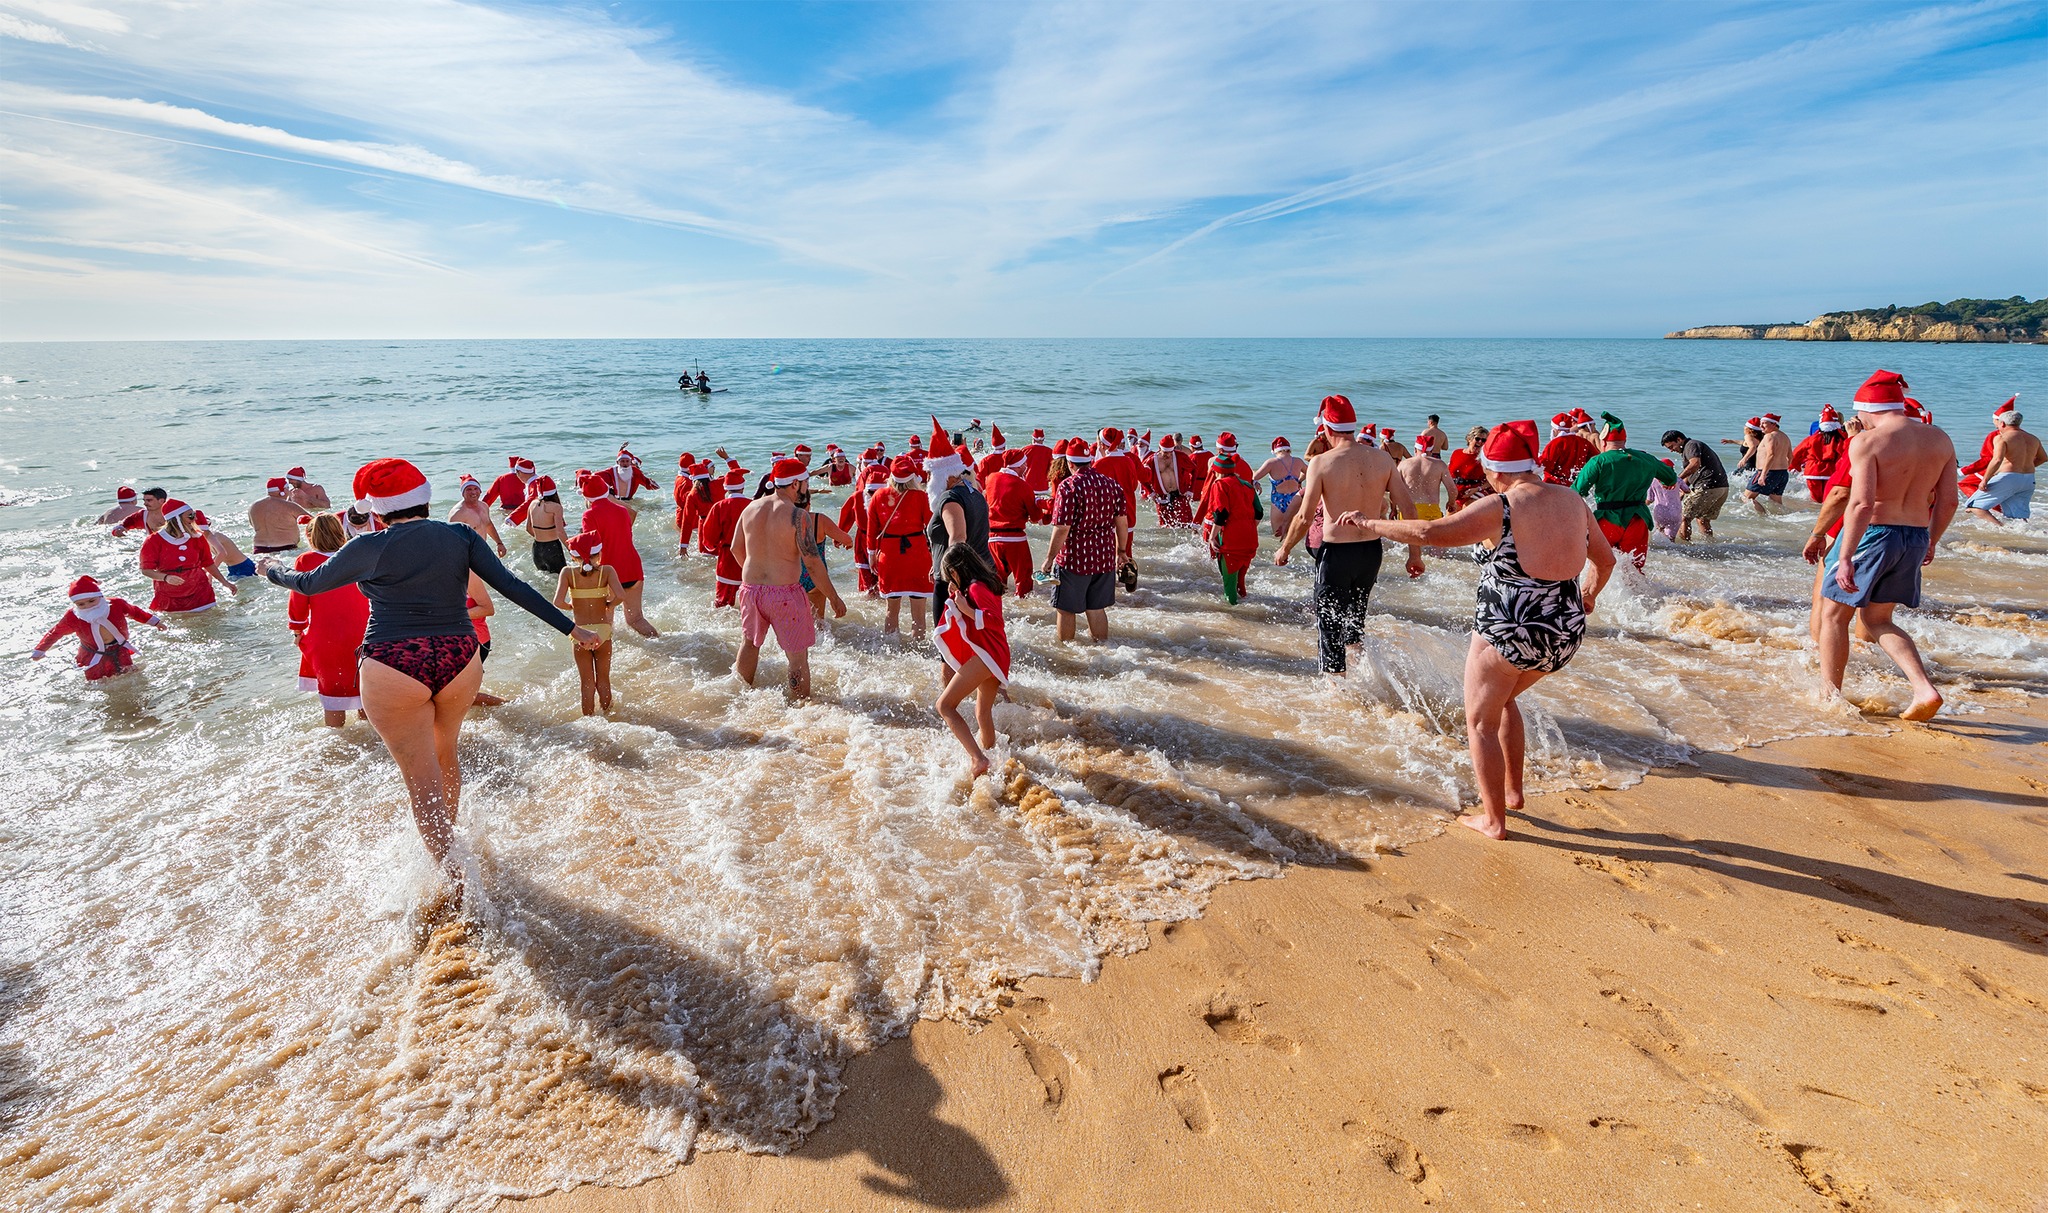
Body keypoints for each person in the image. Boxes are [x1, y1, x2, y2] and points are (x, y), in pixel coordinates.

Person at [260, 459, 601, 901]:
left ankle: (457, 881)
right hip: (461, 657)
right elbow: (513, 586)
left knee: (421, 782)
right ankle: (453, 844)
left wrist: (269, 571)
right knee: (446, 754)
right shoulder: (458, 535)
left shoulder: (370, 545)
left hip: (392, 661)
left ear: (379, 510)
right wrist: (572, 628)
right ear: (425, 498)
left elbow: (308, 584)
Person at [1340, 420, 1615, 840]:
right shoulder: (1572, 500)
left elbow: (1431, 533)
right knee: (1503, 703)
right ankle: (1513, 792)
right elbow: (1606, 561)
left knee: (1480, 723)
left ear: (1495, 470)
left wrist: (1369, 524)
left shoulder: (1502, 505)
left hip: (1509, 633)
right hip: (1565, 633)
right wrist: (1588, 597)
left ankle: (1493, 820)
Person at [1815, 371, 1957, 722]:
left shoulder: (1867, 441)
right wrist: (1931, 541)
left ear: (1867, 409)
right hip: (1914, 534)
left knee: (1834, 616)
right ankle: (1924, 688)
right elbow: (1949, 501)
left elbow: (1861, 504)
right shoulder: (1940, 439)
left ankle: (1829, 695)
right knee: (1879, 618)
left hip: (1873, 535)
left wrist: (1845, 555)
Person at [1275, 395, 1422, 676]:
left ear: (1327, 430)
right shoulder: (1382, 459)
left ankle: (1338, 694)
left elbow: (1305, 517)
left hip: (1337, 554)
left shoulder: (1321, 463)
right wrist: (1414, 555)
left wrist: (1284, 549)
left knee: (1329, 625)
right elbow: (1408, 508)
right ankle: (1362, 675)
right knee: (1355, 621)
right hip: (1371, 553)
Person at [731, 458, 830, 698]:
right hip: (785, 594)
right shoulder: (798, 516)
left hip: (751, 591)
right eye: (805, 482)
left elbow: (735, 548)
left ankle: (739, 696)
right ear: (795, 484)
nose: (807, 487)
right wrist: (834, 598)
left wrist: (755, 576)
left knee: (750, 644)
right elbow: (813, 564)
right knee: (797, 655)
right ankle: (800, 707)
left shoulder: (750, 508)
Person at [933, 543, 1012, 777]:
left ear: (956, 572)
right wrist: (959, 601)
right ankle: (993, 758)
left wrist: (967, 610)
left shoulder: (977, 587)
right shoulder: (979, 585)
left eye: (949, 575)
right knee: (982, 713)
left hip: (988, 654)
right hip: (995, 654)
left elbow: (995, 621)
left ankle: (978, 759)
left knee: (944, 706)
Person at [286, 512, 370, 726]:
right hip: (364, 632)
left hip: (327, 637)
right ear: (340, 532)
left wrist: (297, 630)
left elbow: (299, 599)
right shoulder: (357, 556)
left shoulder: (306, 561)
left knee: (333, 699)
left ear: (311, 537)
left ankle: (336, 752)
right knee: (364, 696)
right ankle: (373, 746)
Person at [1041, 438, 1128, 642]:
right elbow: (1122, 523)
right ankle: (1102, 650)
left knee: (1065, 609)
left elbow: (1062, 528)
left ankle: (1067, 655)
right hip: (1104, 557)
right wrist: (1121, 551)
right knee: (1096, 608)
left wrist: (1049, 557)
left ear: (1070, 464)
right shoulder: (1111, 484)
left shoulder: (1068, 487)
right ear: (1089, 461)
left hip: (1075, 559)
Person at [1571, 413, 1676, 574]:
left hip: (1608, 520)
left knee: (1598, 567)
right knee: (1634, 570)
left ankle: (1597, 598)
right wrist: (1666, 482)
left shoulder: (1598, 461)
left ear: (1604, 441)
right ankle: (1638, 598)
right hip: (1638, 520)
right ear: (1624, 441)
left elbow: (1576, 493)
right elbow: (1670, 477)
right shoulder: (1646, 459)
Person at [31, 576, 165, 679]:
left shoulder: (116, 604)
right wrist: (40, 650)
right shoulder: (73, 616)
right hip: (92, 653)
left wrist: (154, 622)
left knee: (129, 674)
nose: (88, 606)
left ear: (100, 596)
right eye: (81, 604)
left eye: (91, 601)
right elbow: (55, 633)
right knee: (97, 683)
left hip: (119, 648)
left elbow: (135, 612)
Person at [578, 470, 658, 637]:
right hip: (633, 568)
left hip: (609, 573)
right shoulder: (622, 510)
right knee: (635, 619)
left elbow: (592, 548)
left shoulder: (589, 515)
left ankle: (612, 658)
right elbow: (630, 515)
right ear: (607, 492)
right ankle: (663, 643)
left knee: (606, 622)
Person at [923, 425, 991, 618]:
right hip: (980, 573)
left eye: (931, 475)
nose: (928, 480)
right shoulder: (973, 491)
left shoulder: (950, 498)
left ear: (947, 475)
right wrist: (936, 561)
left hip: (957, 578)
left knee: (947, 639)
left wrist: (953, 575)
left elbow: (958, 538)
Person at [553, 531, 623, 715]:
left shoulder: (568, 573)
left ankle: (589, 721)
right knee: (604, 680)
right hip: (603, 632)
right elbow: (621, 596)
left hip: (579, 633)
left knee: (586, 682)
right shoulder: (607, 571)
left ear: (573, 556)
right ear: (598, 553)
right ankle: (608, 716)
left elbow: (557, 602)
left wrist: (572, 607)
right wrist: (608, 604)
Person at [869, 456, 935, 638]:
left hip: (890, 557)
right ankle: (919, 653)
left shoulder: (878, 496)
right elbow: (932, 529)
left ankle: (892, 650)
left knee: (891, 611)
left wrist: (871, 555)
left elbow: (871, 531)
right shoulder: (922, 496)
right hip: (916, 555)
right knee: (919, 615)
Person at [140, 501, 235, 614]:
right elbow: (146, 570)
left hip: (200, 590)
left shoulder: (197, 537)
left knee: (211, 626)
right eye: (190, 516)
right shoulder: (154, 541)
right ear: (177, 519)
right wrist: (166, 577)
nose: (194, 519)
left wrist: (224, 582)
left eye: (194, 515)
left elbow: (208, 563)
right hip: (169, 594)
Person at [1199, 435, 1261, 604]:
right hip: (1250, 540)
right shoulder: (1247, 485)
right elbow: (1259, 512)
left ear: (1217, 471)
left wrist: (1212, 537)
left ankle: (1234, 619)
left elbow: (1221, 514)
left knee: (1229, 589)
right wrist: (1248, 526)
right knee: (1240, 583)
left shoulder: (1220, 485)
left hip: (1231, 542)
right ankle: (1247, 604)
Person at [1963, 398, 2041, 525]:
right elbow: (2044, 458)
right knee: (2018, 518)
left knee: (1974, 506)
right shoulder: (2033, 438)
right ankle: (2020, 535)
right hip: (2028, 479)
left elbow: (1997, 460)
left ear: (2003, 424)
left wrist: (1985, 480)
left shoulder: (2002, 438)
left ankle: (2001, 528)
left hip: (2008, 478)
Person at [698, 465, 753, 608]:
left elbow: (709, 538)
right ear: (742, 487)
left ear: (726, 488)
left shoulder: (719, 506)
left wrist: (714, 548)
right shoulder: (753, 505)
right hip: (751, 558)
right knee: (749, 601)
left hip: (727, 558)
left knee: (722, 603)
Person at [1659, 429, 1730, 541]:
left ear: (1679, 439)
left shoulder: (1690, 445)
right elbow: (1693, 471)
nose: (1672, 450)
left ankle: (1686, 548)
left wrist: (1676, 479)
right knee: (1702, 519)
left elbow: (1695, 464)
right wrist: (1682, 488)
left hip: (1708, 487)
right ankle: (1710, 545)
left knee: (1683, 518)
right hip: (1722, 488)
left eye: (1671, 447)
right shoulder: (1693, 446)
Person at [985, 448, 1037, 595]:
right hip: (1015, 539)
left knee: (996, 580)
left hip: (992, 538)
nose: (1026, 467)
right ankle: (1023, 610)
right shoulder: (1023, 486)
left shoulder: (990, 479)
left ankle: (998, 609)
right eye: (1025, 464)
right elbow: (1034, 516)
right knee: (1024, 580)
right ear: (1019, 465)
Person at [1789, 406, 1850, 503]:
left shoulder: (1812, 439)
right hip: (1831, 470)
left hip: (1813, 472)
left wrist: (1794, 466)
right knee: (1828, 498)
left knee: (1815, 499)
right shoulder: (1841, 439)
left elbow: (1797, 453)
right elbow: (1846, 453)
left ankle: (1813, 514)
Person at [1253, 437, 1308, 539]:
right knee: (1295, 536)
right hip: (1295, 499)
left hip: (1278, 500)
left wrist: (1256, 483)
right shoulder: (1298, 461)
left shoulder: (1271, 462)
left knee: (1278, 537)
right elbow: (1310, 472)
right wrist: (1299, 481)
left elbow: (1254, 478)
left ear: (1275, 450)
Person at [449, 475, 508, 557]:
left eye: (476, 489)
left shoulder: (484, 506)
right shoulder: (458, 513)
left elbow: (488, 525)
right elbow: (452, 540)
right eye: (469, 489)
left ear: (480, 491)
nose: (473, 492)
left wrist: (499, 543)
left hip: (482, 550)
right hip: (467, 555)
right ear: (463, 493)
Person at [1742, 414, 1792, 511]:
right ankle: (1780, 520)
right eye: (1761, 424)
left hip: (1768, 472)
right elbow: (1790, 456)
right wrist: (1784, 470)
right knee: (1776, 502)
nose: (1761, 426)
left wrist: (1763, 474)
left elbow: (1771, 455)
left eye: (1764, 423)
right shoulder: (1785, 436)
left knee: (1747, 497)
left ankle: (1764, 518)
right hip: (1782, 473)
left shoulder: (1769, 436)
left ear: (1774, 424)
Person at [522, 475, 568, 575]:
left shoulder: (533, 504)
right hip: (552, 548)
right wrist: (571, 549)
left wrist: (541, 536)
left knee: (544, 580)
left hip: (537, 549)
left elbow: (528, 528)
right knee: (561, 578)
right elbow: (560, 532)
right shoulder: (556, 507)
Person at [1398, 435, 1450, 520]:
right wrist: (1450, 503)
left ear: (1415, 449)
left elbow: (1395, 489)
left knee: (1408, 533)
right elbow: (1452, 490)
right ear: (1432, 450)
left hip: (1408, 509)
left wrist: (1393, 509)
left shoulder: (1403, 464)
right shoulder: (1440, 465)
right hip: (1431, 510)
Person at [1540, 412, 1598, 487]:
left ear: (1557, 429)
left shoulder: (1555, 443)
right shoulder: (1584, 442)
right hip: (1575, 484)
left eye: (1553, 428)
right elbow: (1595, 460)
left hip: (1554, 484)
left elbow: (1545, 465)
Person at [250, 478, 302, 553]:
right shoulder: (289, 506)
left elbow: (253, 525)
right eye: (288, 488)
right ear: (283, 491)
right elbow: (316, 522)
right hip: (286, 550)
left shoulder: (253, 506)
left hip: (259, 549)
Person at [1447, 426, 1491, 510]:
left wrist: (1476, 489)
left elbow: (1492, 481)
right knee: (1449, 517)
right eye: (1477, 439)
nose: (1480, 442)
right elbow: (1448, 474)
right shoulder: (1456, 453)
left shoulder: (1483, 458)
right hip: (1458, 493)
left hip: (1476, 492)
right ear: (1470, 439)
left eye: (1483, 440)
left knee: (1465, 511)